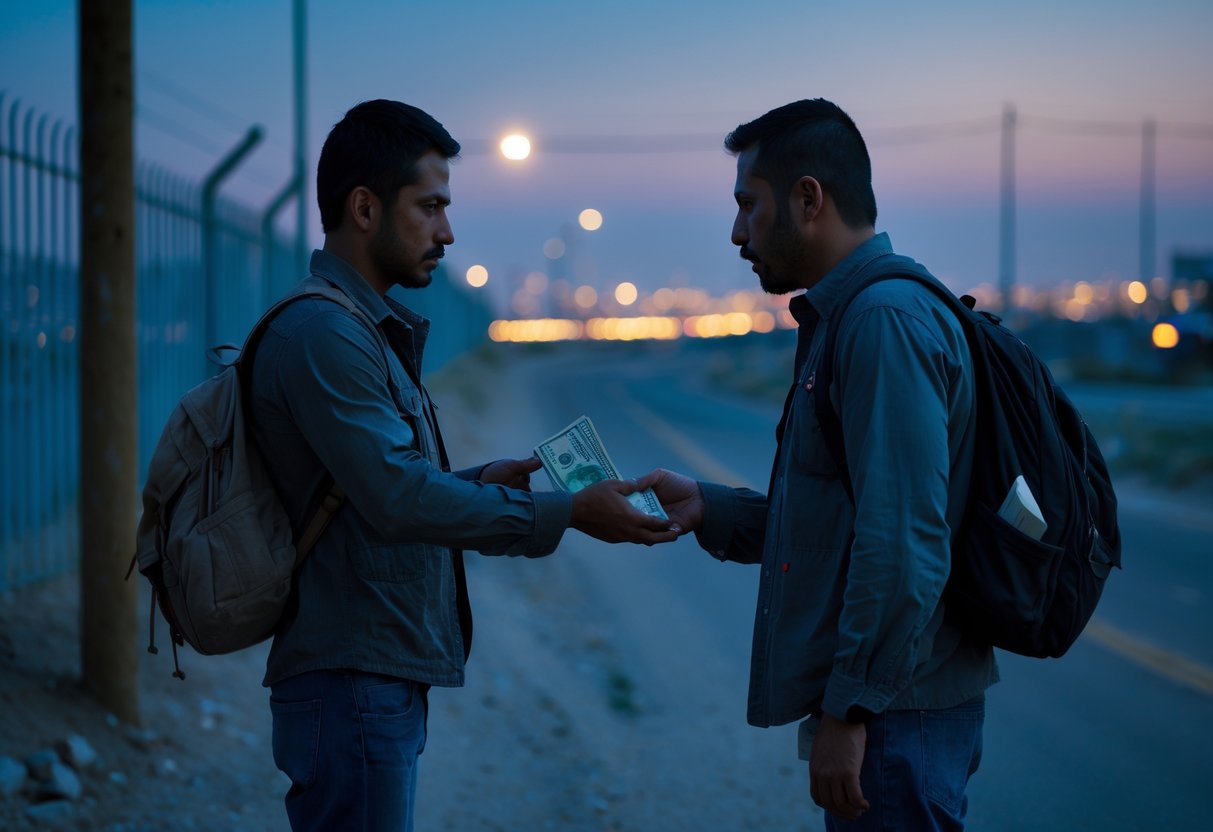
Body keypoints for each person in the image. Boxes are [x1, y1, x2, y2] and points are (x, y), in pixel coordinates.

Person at [247, 99, 677, 832]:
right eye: (430, 207)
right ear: (362, 207)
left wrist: (481, 483)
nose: (446, 232)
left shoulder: (361, 328)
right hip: (351, 676)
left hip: (372, 672)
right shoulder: (326, 334)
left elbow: (371, 487)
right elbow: (397, 501)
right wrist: (566, 511)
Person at [638, 99, 999, 830]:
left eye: (749, 206)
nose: (736, 232)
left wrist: (850, 710)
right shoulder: (855, 316)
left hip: (895, 711)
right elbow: (844, 520)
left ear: (808, 199)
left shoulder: (880, 322)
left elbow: (901, 541)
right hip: (895, 704)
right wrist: (712, 508)